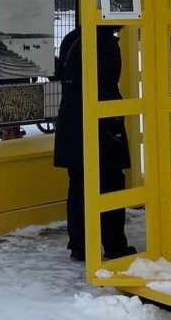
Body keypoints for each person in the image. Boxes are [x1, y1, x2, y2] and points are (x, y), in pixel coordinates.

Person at [53, 25, 135, 263]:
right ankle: (114, 245)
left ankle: (79, 245)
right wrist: (116, 118)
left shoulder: (73, 38)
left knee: (79, 185)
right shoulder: (106, 44)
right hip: (99, 124)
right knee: (111, 182)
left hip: (71, 121)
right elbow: (107, 86)